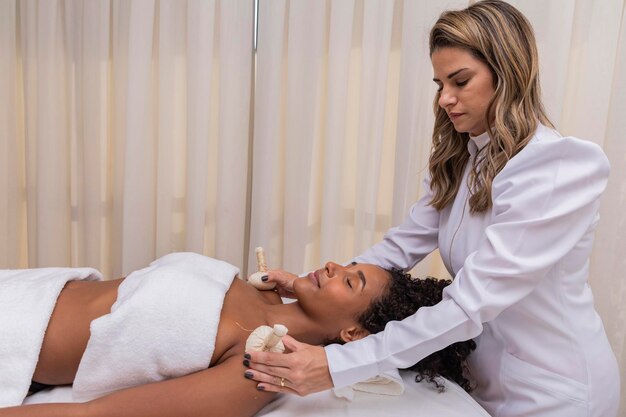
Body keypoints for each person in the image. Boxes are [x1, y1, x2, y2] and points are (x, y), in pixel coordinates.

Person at [244, 1, 621, 416]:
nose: (445, 98)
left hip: (556, 389)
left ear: (509, 73)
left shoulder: (558, 166)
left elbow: (470, 303)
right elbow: (396, 251)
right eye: (440, 83)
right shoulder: (463, 161)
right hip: (482, 379)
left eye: (460, 81)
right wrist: (314, 288)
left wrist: (339, 365)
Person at [0, 253, 475, 417]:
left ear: (353, 333)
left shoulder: (259, 371)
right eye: (349, 266)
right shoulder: (264, 293)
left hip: (14, 335)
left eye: (350, 280)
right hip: (29, 285)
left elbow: (101, 414)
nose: (334, 265)